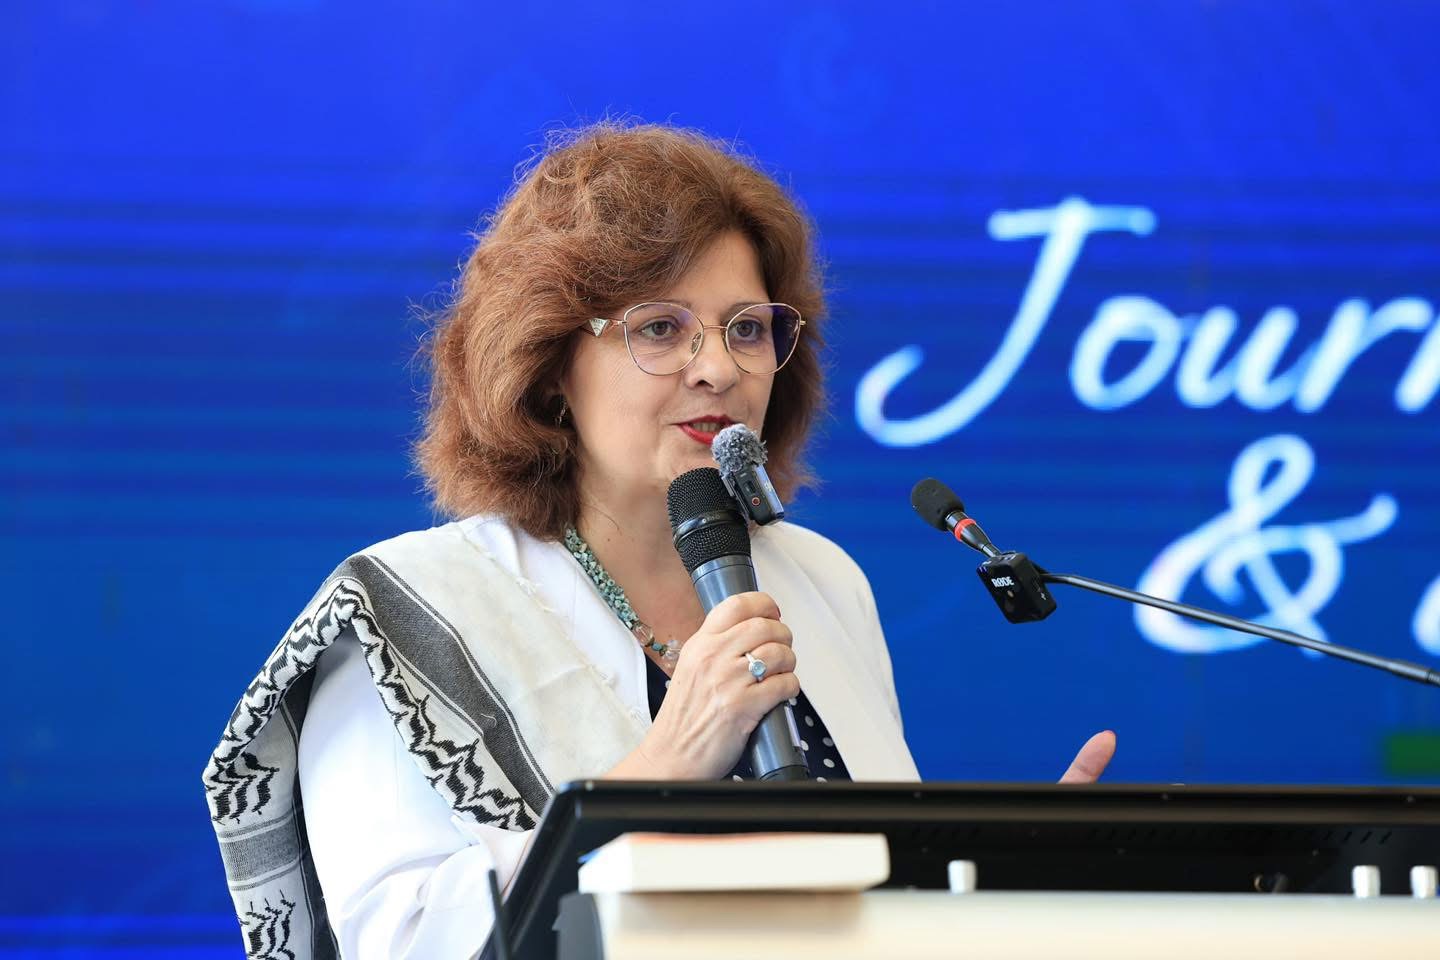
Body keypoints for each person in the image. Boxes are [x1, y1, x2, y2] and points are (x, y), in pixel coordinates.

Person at [202, 122, 1116, 960]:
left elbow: (863, 912)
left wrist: (999, 894)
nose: (718, 366)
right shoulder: (405, 613)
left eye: (747, 328)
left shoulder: (822, 578)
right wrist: (665, 768)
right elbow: (397, 947)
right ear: (549, 365)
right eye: (660, 328)